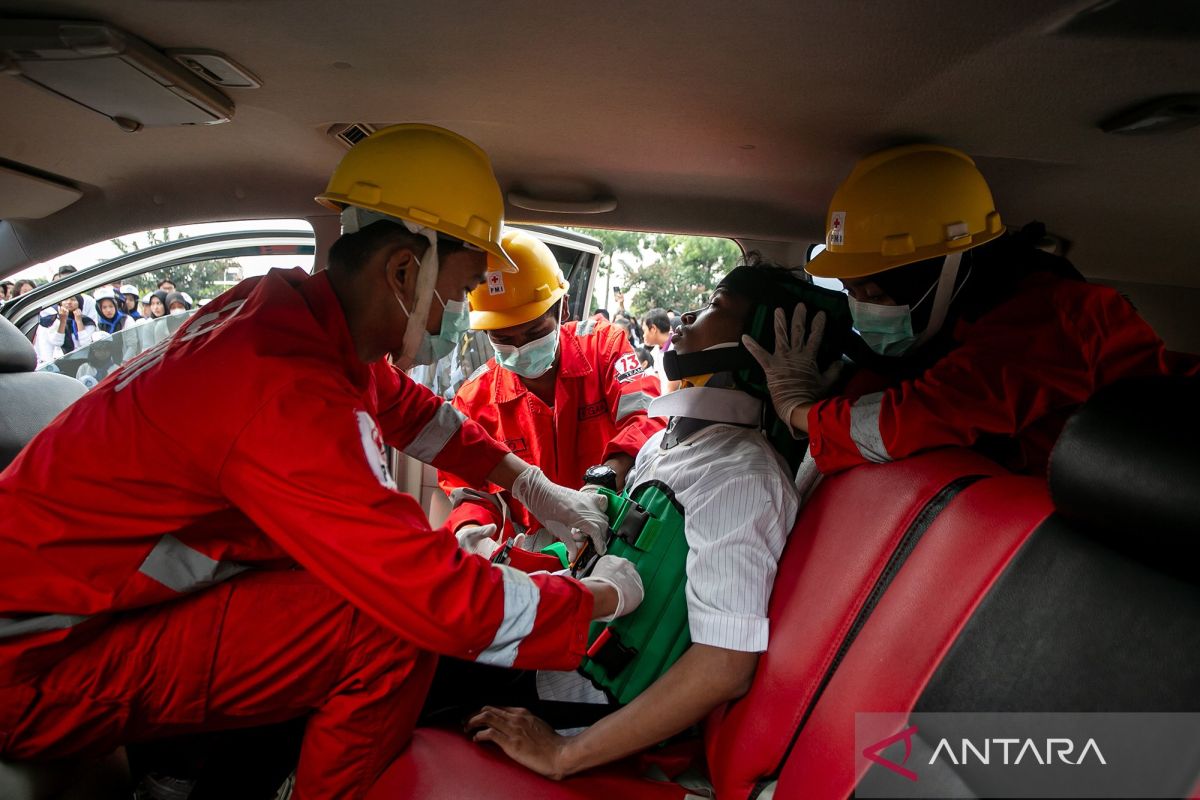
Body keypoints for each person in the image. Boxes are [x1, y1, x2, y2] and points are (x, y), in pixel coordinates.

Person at [0, 124, 641, 799]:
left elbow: (415, 414)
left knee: (343, 581)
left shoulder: (283, 318)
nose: (453, 318)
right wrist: (598, 598)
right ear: (404, 272)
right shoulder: (283, 392)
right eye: (459, 292)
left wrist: (531, 485)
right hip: (35, 665)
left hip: (75, 620)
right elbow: (432, 599)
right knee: (386, 624)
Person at [450, 263, 819, 779]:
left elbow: (726, 665)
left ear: (759, 343)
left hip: (585, 695)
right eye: (503, 338)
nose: (687, 315)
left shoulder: (739, 476)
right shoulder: (670, 447)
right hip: (568, 644)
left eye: (715, 306)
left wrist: (563, 755)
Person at [745, 144, 1200, 477]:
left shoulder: (1051, 322)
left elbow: (913, 418)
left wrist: (797, 410)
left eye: (876, 293)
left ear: (943, 271)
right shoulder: (962, 323)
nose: (864, 308)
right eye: (851, 291)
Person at [438, 229, 665, 551]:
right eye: (503, 339)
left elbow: (646, 418)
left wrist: (601, 486)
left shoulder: (604, 347)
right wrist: (470, 530)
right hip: (534, 550)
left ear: (564, 309)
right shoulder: (475, 398)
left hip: (614, 525)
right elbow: (469, 487)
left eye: (533, 332)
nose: (520, 347)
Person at [33, 294, 96, 366]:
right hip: (63, 361)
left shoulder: (87, 321)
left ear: (79, 302)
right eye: (65, 300)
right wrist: (62, 321)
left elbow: (86, 343)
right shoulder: (55, 321)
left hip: (84, 360)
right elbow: (57, 342)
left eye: (73, 299)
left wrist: (79, 321)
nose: (69, 302)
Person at [641, 307, 675, 394]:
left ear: (653, 329)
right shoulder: (655, 351)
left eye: (644, 331)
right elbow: (658, 379)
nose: (643, 335)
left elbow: (672, 388)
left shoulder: (676, 348)